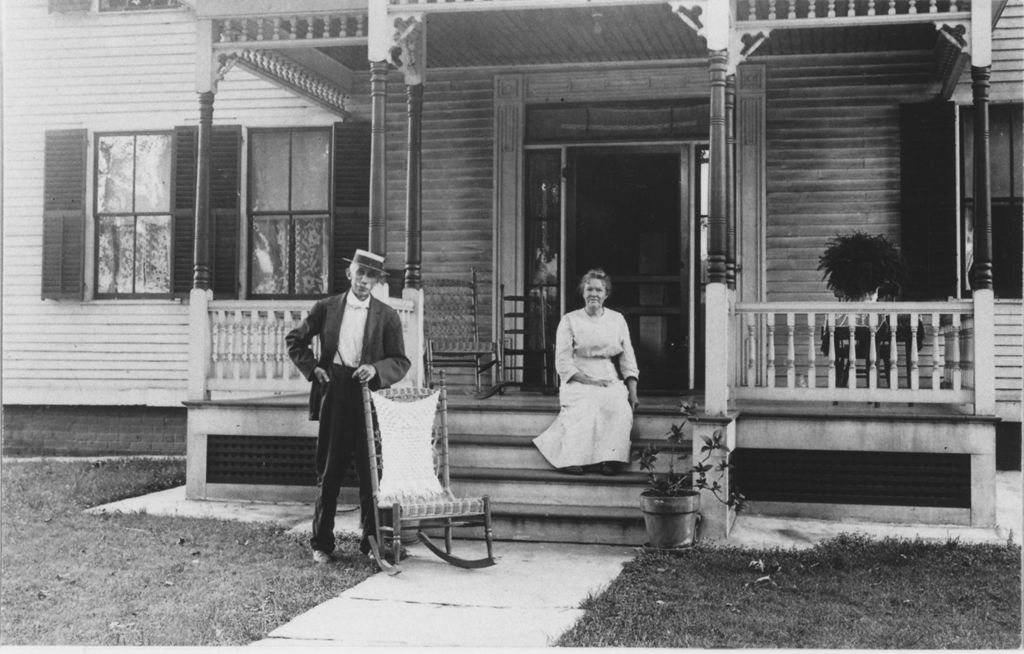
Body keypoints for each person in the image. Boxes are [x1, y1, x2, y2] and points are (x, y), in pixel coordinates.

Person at [286, 249, 411, 564]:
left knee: (371, 472)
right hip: (335, 391)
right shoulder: (327, 308)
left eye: (371, 276)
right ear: (349, 274)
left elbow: (400, 361)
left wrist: (377, 370)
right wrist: (313, 368)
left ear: (377, 280)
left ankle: (371, 543)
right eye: (360, 274)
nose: (365, 281)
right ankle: (322, 544)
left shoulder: (387, 315)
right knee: (329, 469)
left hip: (368, 395)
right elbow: (294, 339)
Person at [533, 269, 639, 476]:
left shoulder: (617, 320)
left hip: (608, 375)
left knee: (618, 405)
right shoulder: (570, 320)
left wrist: (633, 391)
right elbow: (563, 361)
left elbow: (628, 358)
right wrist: (588, 381)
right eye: (589, 288)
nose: (594, 294)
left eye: (599, 290)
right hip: (578, 377)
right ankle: (573, 457)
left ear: (606, 294)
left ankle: (610, 458)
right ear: (582, 292)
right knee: (585, 405)